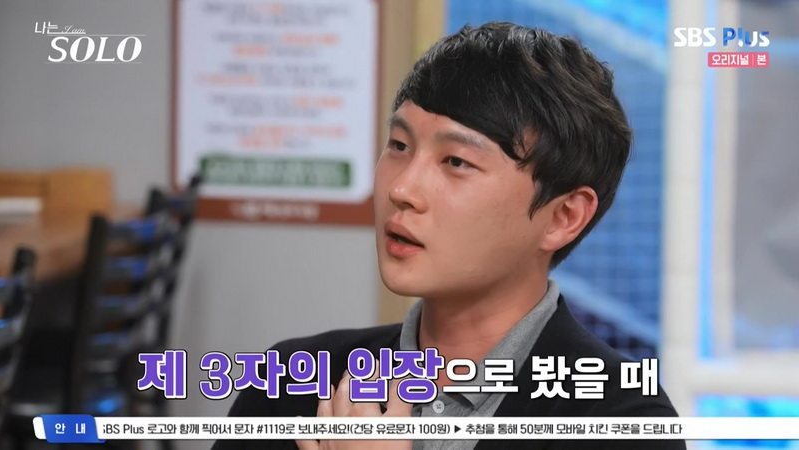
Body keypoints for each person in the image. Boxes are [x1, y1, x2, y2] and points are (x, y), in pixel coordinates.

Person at [213, 22, 685, 450]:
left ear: (564, 216)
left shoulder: (623, 421)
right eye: (399, 146)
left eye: (456, 162)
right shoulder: (294, 378)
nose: (402, 189)